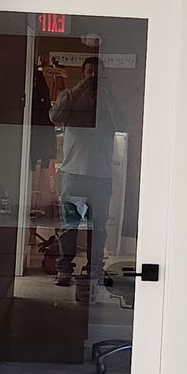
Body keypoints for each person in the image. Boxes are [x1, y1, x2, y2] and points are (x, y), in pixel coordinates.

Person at [48, 53, 120, 304]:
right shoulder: (71, 95)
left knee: (98, 227)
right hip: (74, 172)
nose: (93, 76)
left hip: (101, 175)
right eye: (89, 72)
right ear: (82, 73)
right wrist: (81, 87)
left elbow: (123, 123)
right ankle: (64, 269)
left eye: (97, 73)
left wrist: (108, 95)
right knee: (69, 225)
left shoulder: (109, 100)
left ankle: (95, 269)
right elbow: (55, 116)